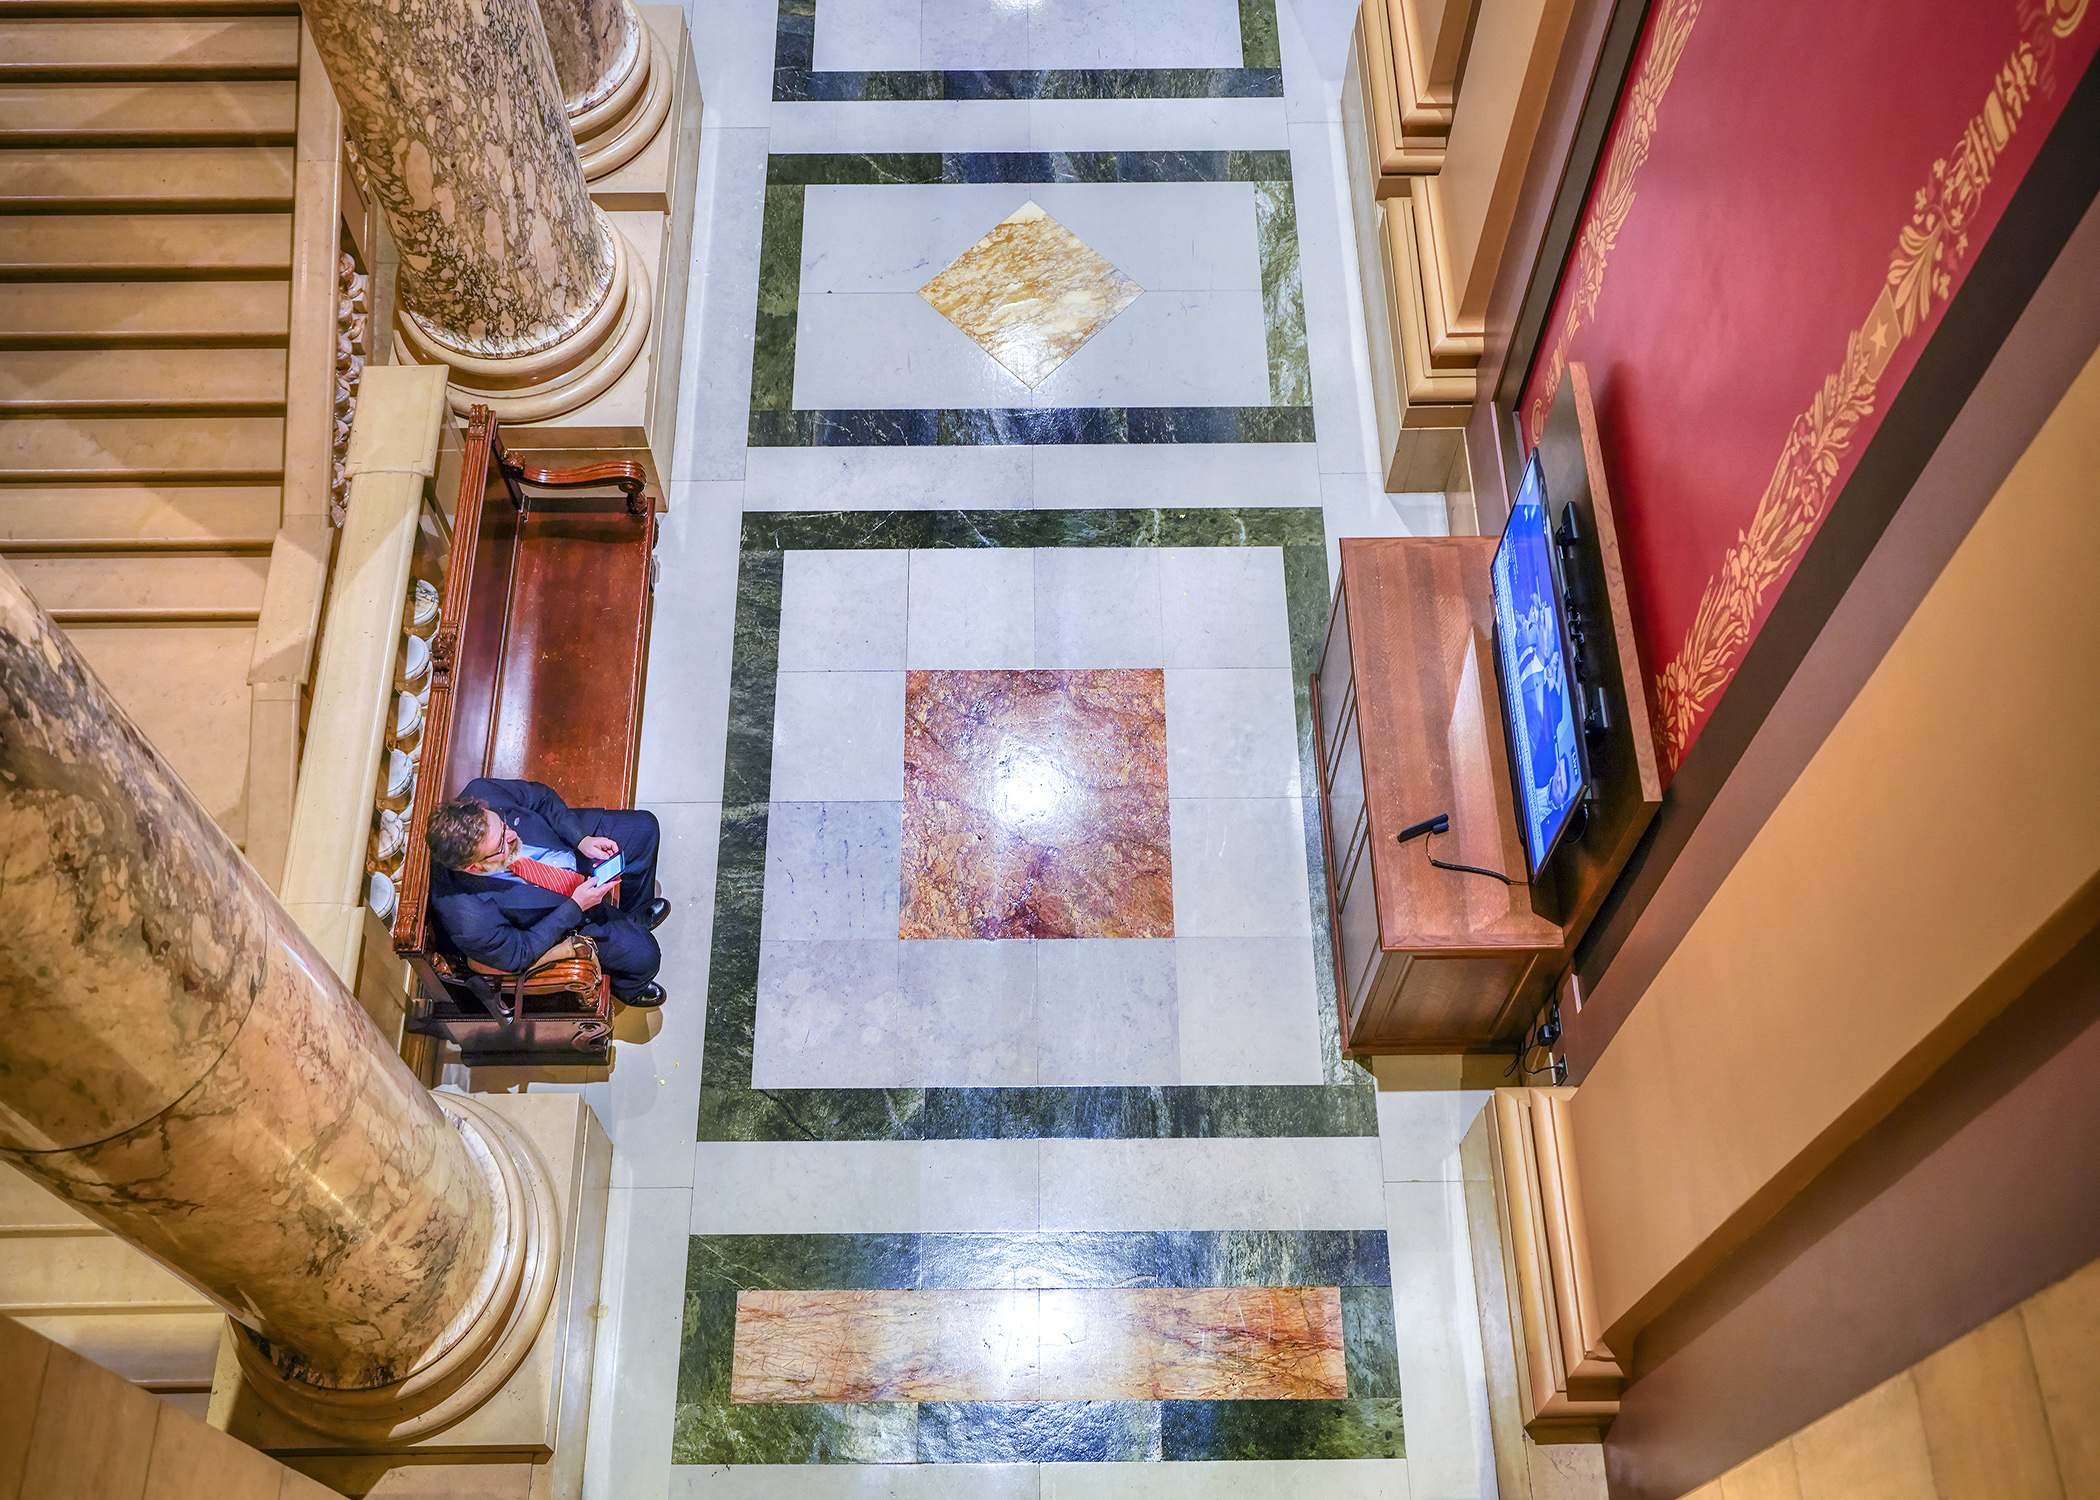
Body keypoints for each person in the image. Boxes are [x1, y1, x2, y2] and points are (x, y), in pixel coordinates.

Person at [424, 778, 670, 1009]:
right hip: (558, 911)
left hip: (562, 843)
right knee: (646, 958)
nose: (512, 836)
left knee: (644, 829)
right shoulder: (466, 917)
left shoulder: (482, 790)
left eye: (502, 825)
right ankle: (628, 989)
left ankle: (632, 914)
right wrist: (575, 906)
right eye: (500, 845)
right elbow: (519, 952)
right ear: (473, 867)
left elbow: (540, 797)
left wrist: (581, 839)